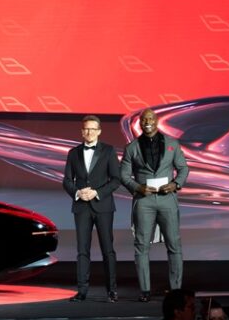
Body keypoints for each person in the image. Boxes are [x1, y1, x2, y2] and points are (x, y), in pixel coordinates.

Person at [119, 107, 189, 302]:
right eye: (144, 120)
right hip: (144, 201)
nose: (147, 122)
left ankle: (176, 290)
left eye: (151, 119)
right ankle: (145, 291)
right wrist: (137, 187)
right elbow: (123, 175)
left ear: (156, 121)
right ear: (140, 124)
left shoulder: (172, 144)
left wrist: (175, 184)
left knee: (174, 244)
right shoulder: (132, 148)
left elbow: (183, 169)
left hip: (167, 199)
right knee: (141, 246)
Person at [62, 115, 122, 302]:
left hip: (103, 205)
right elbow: (67, 180)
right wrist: (78, 193)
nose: (89, 132)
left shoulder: (108, 151)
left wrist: (96, 192)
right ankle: (82, 291)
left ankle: (112, 290)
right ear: (82, 131)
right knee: (82, 250)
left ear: (99, 131)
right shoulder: (73, 153)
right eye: (86, 129)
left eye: (93, 129)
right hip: (81, 207)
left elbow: (116, 180)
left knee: (108, 249)